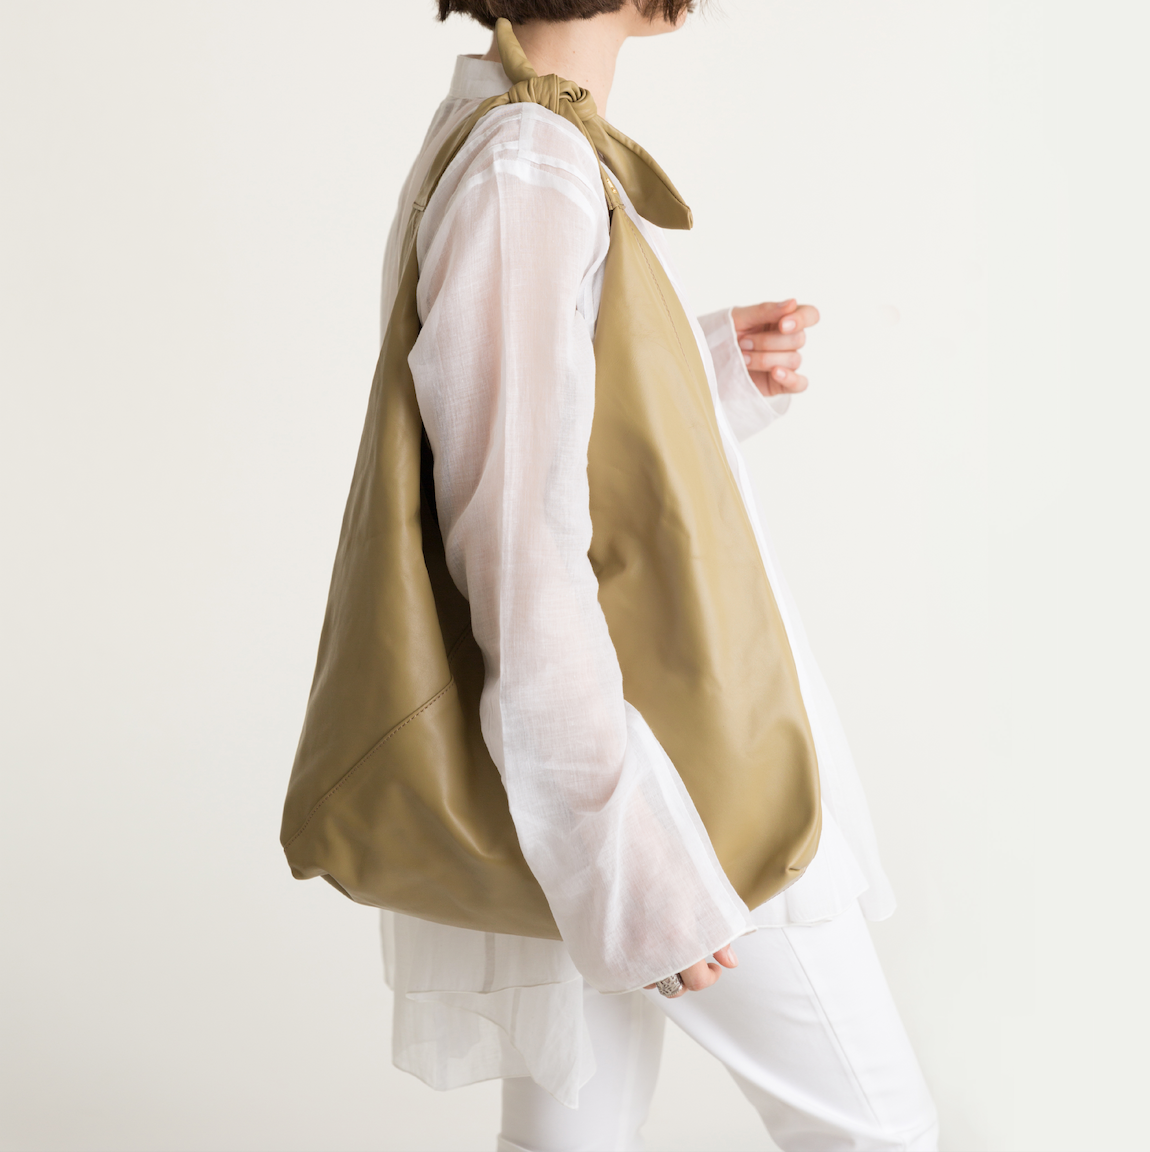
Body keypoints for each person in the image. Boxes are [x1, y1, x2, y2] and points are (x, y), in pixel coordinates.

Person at [375, 2, 939, 1148]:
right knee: (878, 1131)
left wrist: (699, 366)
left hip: (597, 761)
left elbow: (546, 442)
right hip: (655, 782)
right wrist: (616, 851)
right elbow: (514, 544)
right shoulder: (528, 165)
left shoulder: (514, 136)